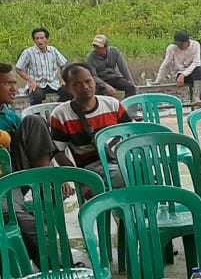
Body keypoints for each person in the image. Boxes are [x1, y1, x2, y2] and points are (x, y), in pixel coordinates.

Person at [0, 63, 59, 263]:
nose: (13, 89)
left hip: (11, 179)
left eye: (14, 83)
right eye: (7, 83)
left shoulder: (10, 117)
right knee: (18, 217)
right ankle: (59, 268)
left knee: (34, 121)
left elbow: (27, 146)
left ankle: (45, 178)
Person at [48, 63, 133, 191]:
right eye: (76, 84)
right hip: (92, 167)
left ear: (94, 80)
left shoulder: (113, 105)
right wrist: (80, 178)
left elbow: (131, 134)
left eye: (88, 81)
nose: (85, 87)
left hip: (121, 159)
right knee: (125, 176)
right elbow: (58, 152)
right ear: (67, 88)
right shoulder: (61, 115)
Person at [158, 31, 201, 107]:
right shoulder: (171, 48)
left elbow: (196, 62)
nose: (179, 46)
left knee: (200, 70)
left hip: (193, 73)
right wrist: (158, 80)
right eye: (178, 44)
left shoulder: (195, 45)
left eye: (181, 44)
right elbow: (166, 64)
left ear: (187, 42)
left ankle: (197, 98)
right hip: (179, 74)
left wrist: (183, 74)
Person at [15, 28, 68, 105]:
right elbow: (18, 68)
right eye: (37, 39)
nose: (39, 41)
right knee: (37, 95)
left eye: (42, 38)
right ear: (34, 40)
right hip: (37, 85)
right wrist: (31, 81)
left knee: (69, 91)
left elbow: (63, 65)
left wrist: (63, 79)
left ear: (47, 39)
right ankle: (36, 116)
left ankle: (57, 111)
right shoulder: (28, 52)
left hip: (53, 84)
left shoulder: (53, 50)